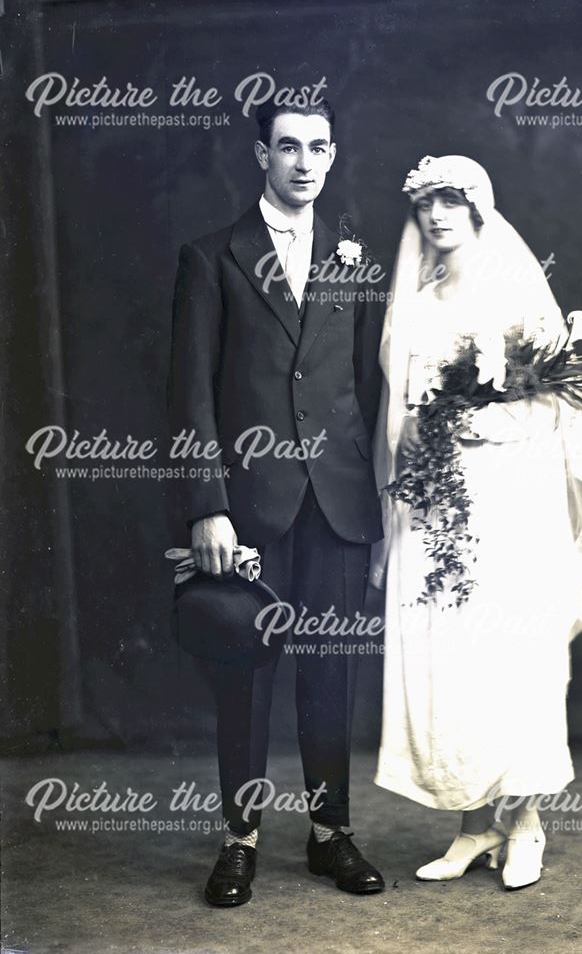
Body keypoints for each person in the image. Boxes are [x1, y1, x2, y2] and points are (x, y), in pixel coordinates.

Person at [372, 155, 582, 890]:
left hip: (509, 498)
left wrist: (488, 422)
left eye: (451, 201)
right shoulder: (415, 301)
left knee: (511, 655)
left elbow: (557, 402)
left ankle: (526, 824)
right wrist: (417, 431)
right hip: (438, 503)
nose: (437, 217)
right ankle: (472, 828)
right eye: (425, 205)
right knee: (448, 660)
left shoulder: (514, 288)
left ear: (478, 207)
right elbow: (403, 408)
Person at [167, 96, 386, 906]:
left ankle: (331, 836)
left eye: (318, 147)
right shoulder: (211, 256)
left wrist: (381, 497)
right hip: (248, 508)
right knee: (244, 676)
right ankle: (240, 840)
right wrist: (205, 506)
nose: (304, 162)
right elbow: (188, 394)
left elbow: (367, 382)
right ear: (260, 154)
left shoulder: (355, 254)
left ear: (333, 154)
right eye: (287, 146)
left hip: (338, 503)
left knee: (330, 680)